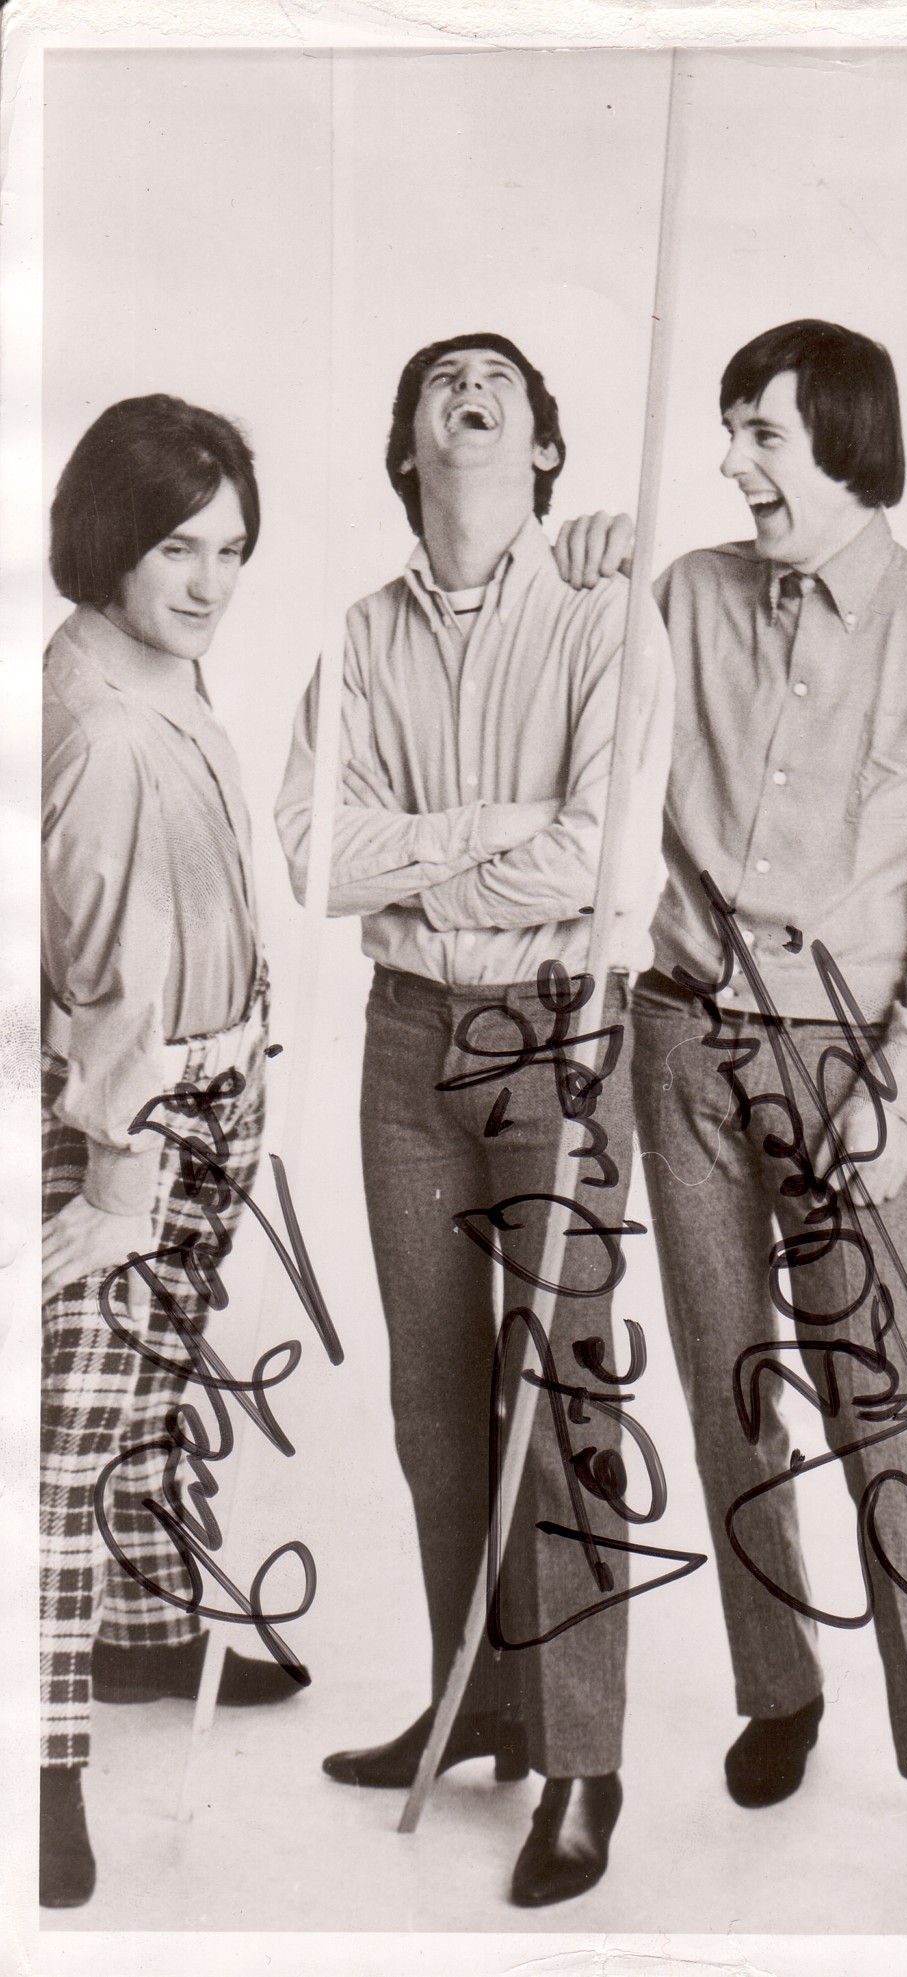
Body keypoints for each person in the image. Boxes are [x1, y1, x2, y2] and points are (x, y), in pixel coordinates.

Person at [556, 318, 907, 1884]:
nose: (729, 464)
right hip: (679, 1038)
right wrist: (570, 589)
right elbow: (583, 754)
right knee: (726, 1389)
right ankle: (778, 1688)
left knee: (880, 1404)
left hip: (849, 1066)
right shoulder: (684, 596)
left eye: (759, 434)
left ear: (844, 444)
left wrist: (898, 1085)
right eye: (725, 430)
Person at [277, 332, 672, 1908]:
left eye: (498, 375)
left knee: (560, 1399)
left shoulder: (603, 613)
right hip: (404, 1044)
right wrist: (498, 831)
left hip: (556, 1034)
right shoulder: (356, 635)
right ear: (407, 447)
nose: (469, 383)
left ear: (545, 449)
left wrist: (422, 855)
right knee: (434, 1400)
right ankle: (477, 1700)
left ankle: (583, 1760)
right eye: (440, 376)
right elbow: (313, 850)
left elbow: (601, 857)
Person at [41, 395, 301, 1909]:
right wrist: (120, 1172)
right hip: (129, 1118)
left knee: (152, 1390)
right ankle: (38, 1754)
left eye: (232, 549)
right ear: (110, 541)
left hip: (208, 1089)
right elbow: (110, 970)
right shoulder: (100, 721)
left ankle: (139, 1637)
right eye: (178, 548)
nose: (210, 581)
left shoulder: (158, 669)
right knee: (66, 1438)